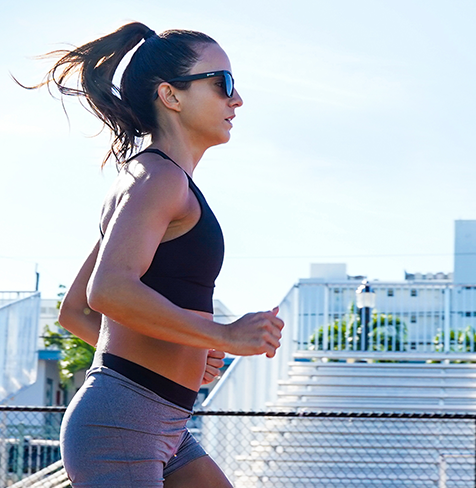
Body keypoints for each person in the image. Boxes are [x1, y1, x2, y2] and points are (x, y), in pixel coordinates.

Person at [23, 22, 285, 487]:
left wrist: (187, 345)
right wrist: (221, 334)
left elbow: (76, 311)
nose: (237, 99)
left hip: (161, 423)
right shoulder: (157, 180)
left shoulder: (154, 180)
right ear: (171, 95)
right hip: (122, 423)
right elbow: (109, 290)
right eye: (223, 83)